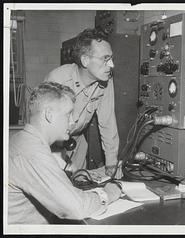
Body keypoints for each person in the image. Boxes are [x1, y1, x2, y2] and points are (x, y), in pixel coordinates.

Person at [8, 82, 122, 224]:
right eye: (68, 114)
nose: (73, 121)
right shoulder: (32, 152)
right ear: (49, 115)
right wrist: (108, 193)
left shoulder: (21, 139)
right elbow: (76, 208)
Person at [44, 28, 122, 178]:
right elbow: (42, 131)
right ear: (85, 60)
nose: (111, 65)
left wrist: (111, 163)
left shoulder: (105, 80)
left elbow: (108, 122)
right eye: (105, 59)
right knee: (56, 185)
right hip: (51, 142)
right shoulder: (58, 81)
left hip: (76, 139)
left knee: (80, 183)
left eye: (111, 58)